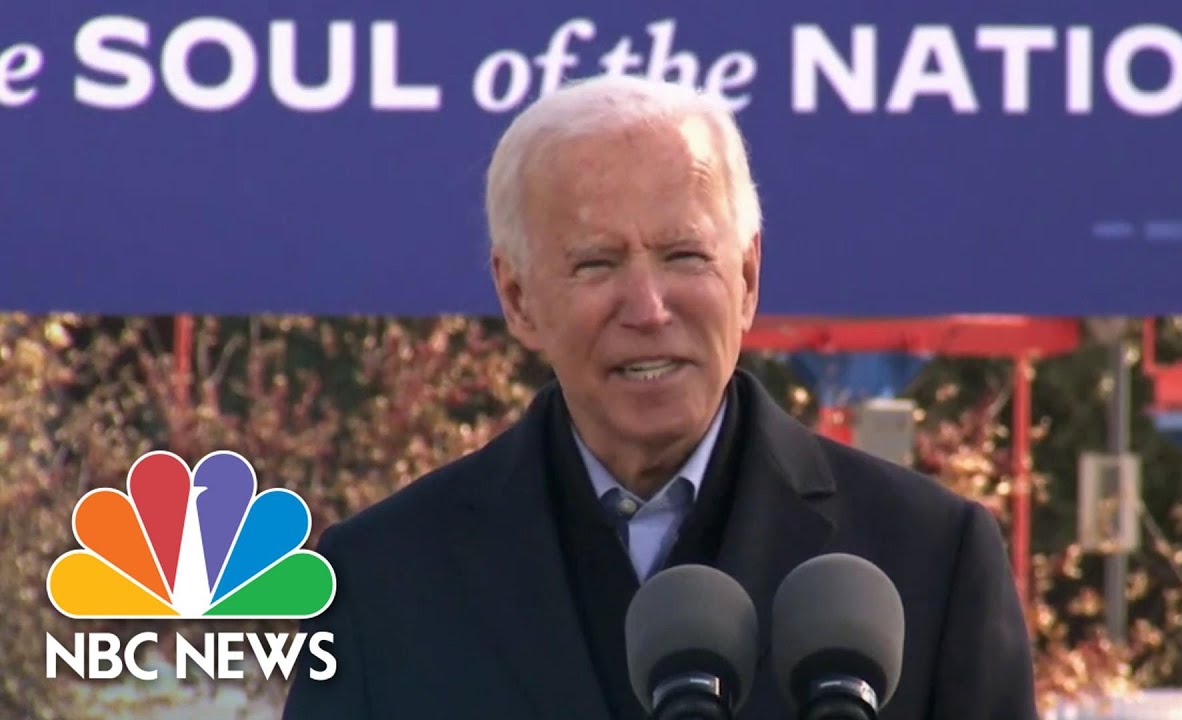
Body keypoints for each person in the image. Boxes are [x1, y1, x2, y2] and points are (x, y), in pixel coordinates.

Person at [281, 74, 1038, 720]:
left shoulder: (931, 560)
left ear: (747, 277)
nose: (648, 308)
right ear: (517, 298)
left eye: (684, 256)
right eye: (596, 264)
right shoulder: (379, 582)